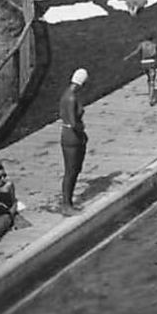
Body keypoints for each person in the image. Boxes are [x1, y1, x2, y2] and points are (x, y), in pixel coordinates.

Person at [59, 68, 88, 214]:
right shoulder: (71, 98)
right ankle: (67, 205)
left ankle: (67, 202)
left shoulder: (66, 94)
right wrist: (82, 134)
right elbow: (73, 121)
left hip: (68, 134)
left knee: (74, 169)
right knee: (71, 170)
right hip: (72, 136)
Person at [124, 33, 157, 105]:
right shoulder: (153, 45)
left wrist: (128, 57)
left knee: (149, 78)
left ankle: (150, 91)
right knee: (152, 81)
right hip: (151, 63)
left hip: (144, 63)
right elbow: (155, 54)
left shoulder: (142, 44)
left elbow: (136, 52)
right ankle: (151, 98)